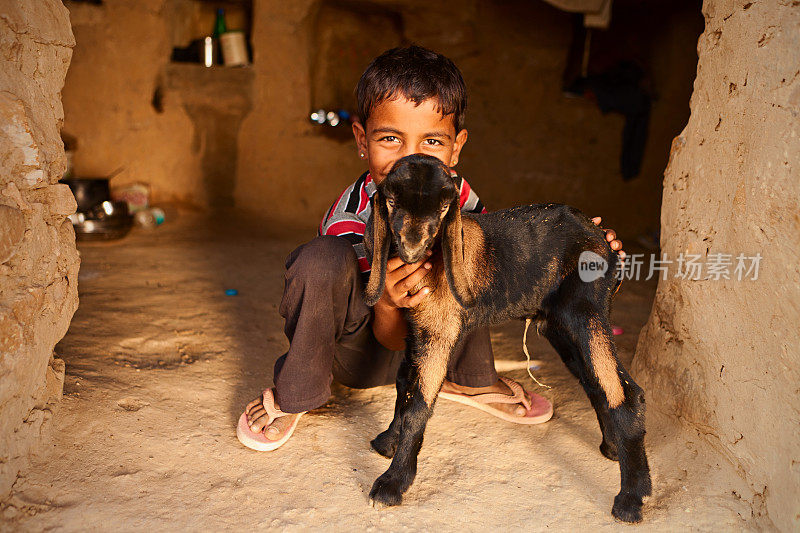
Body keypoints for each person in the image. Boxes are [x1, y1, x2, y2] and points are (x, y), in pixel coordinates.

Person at [237, 45, 624, 451]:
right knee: (319, 261)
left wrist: (584, 257)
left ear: (455, 148)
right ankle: (297, 391)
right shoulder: (350, 220)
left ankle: (470, 379)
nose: (411, 159)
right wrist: (387, 302)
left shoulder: (456, 196)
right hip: (360, 353)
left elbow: (511, 276)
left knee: (479, 247)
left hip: (439, 348)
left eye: (432, 142)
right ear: (362, 140)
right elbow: (387, 339)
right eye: (390, 138)